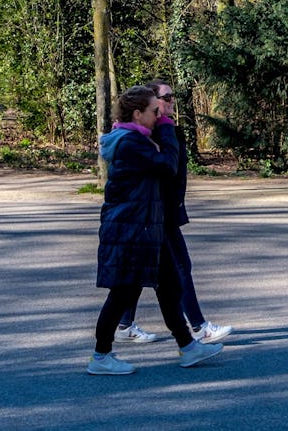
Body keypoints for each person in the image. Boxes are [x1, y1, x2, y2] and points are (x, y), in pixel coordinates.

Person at [88, 86, 224, 375]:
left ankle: (188, 346)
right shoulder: (130, 143)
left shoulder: (137, 139)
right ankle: (101, 356)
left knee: (170, 286)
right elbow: (168, 165)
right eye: (154, 111)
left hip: (147, 229)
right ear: (138, 114)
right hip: (130, 230)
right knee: (123, 293)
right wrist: (166, 128)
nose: (159, 115)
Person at [114, 80, 232, 345]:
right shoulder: (151, 134)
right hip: (156, 213)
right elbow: (167, 167)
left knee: (143, 272)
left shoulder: (164, 130)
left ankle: (123, 324)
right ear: (151, 104)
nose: (171, 102)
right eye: (166, 98)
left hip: (164, 210)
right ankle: (198, 328)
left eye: (172, 97)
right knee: (178, 269)